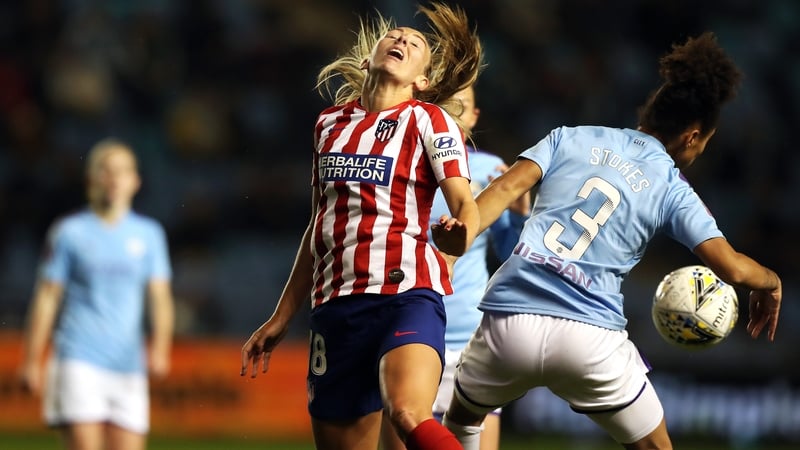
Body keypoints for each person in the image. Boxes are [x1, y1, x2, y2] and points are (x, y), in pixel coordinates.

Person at [440, 32, 783, 450]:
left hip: (509, 322)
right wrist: (770, 281)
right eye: (704, 143)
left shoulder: (570, 136)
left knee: (459, 423)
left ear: (648, 114)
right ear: (692, 136)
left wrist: (462, 234)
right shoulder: (673, 187)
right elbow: (730, 267)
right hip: (589, 336)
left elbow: (503, 192)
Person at [240, 3, 483, 450]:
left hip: (406, 292)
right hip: (336, 307)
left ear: (421, 81)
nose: (402, 41)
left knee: (407, 413)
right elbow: (319, 222)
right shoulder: (329, 124)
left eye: (415, 44)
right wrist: (283, 314)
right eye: (395, 37)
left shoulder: (429, 120)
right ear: (371, 55)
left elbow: (465, 202)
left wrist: (460, 233)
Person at [380, 85, 530, 450]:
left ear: (475, 117)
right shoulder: (403, 162)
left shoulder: (489, 169)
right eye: (444, 107)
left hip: (466, 339)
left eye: (461, 107)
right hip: (404, 333)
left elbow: (512, 254)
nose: (452, 115)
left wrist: (520, 213)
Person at [19, 138, 175, 450]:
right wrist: (32, 359)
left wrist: (160, 346)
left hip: (128, 364)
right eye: (105, 170)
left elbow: (159, 297)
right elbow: (47, 297)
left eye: (122, 170)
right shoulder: (68, 232)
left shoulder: (149, 235)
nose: (113, 178)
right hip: (78, 359)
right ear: (91, 178)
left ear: (135, 181)